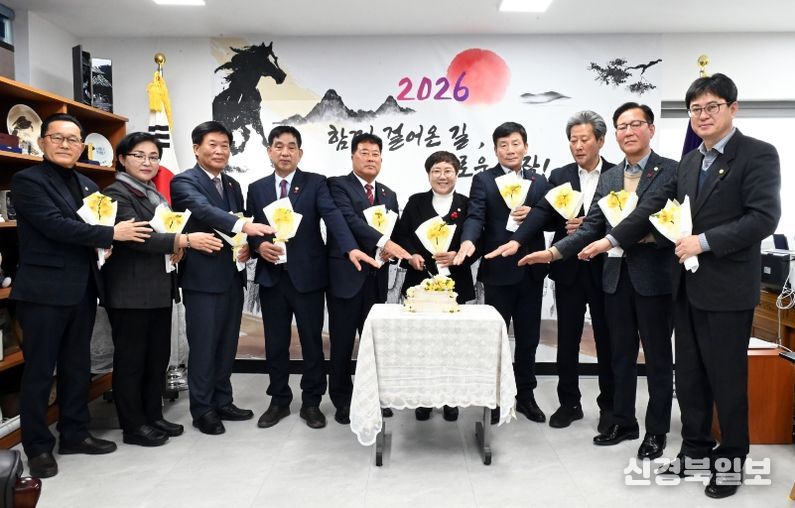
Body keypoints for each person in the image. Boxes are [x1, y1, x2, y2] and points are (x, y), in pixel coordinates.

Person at [579, 74, 781, 499]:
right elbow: (650, 209)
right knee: (688, 377)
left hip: (727, 289)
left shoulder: (758, 154)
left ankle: (731, 460)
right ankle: (694, 450)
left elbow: (763, 218)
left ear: (732, 108)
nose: (703, 115)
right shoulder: (689, 162)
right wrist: (610, 240)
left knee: (726, 378)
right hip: (685, 288)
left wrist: (703, 242)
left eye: (712, 107)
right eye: (695, 109)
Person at [518, 103, 677, 460]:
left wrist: (623, 239)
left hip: (654, 278)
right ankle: (624, 421)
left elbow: (658, 217)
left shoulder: (671, 170)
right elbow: (592, 225)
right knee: (619, 354)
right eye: (623, 126)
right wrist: (553, 253)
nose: (628, 132)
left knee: (656, 357)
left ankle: (656, 431)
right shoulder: (611, 177)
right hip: (615, 278)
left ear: (651, 129)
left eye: (635, 124)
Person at [12, 114, 151, 477]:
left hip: (83, 289)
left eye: (73, 139)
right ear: (42, 142)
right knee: (40, 371)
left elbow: (95, 226)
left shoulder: (89, 184)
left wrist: (108, 243)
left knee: (77, 366)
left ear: (82, 147)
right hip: (43, 293)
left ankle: (74, 433)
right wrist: (111, 236)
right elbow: (55, 226)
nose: (65, 144)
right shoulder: (27, 181)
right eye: (57, 137)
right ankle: (37, 446)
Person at [485, 111, 615, 432]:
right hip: (568, 268)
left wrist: (592, 226)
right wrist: (548, 221)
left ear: (600, 140)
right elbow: (548, 216)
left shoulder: (617, 174)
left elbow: (626, 218)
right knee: (567, 339)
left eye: (584, 139)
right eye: (573, 140)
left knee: (607, 340)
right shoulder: (559, 176)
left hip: (605, 268)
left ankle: (610, 407)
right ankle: (569, 403)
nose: (578, 146)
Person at [246, 126, 377, 429]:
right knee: (275, 343)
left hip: (308, 277)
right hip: (272, 277)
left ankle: (311, 402)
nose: (285, 152)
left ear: (300, 153)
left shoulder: (315, 183)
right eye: (279, 146)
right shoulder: (256, 188)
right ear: (269, 151)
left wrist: (350, 248)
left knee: (311, 343)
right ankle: (279, 400)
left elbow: (334, 217)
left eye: (292, 147)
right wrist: (258, 246)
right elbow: (249, 226)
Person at [103, 132, 223, 446]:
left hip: (158, 288)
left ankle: (153, 415)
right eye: (139, 155)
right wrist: (184, 240)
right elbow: (138, 236)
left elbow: (163, 232)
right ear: (122, 159)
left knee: (156, 358)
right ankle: (133, 425)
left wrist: (175, 246)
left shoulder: (155, 194)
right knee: (132, 361)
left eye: (153, 157)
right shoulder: (116, 194)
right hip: (130, 292)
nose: (148, 162)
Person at [170, 121, 274, 435]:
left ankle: (223, 400)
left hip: (231, 276)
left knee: (227, 344)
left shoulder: (231, 184)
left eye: (225, 145)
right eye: (212, 144)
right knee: (204, 346)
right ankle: (202, 409)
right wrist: (244, 227)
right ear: (196, 148)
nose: (219, 151)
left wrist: (246, 246)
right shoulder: (183, 182)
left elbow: (237, 222)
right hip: (201, 279)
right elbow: (203, 211)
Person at [452, 121, 549, 424]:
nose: (510, 149)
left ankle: (526, 395)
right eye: (503, 145)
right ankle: (493, 398)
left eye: (515, 143)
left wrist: (535, 213)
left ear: (526, 147)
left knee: (529, 338)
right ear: (495, 150)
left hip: (531, 269)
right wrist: (468, 240)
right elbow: (476, 216)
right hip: (498, 271)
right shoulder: (484, 179)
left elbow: (551, 218)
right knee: (495, 339)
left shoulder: (539, 181)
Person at [326, 133, 411, 425]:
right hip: (345, 277)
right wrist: (385, 242)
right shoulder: (337, 185)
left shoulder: (388, 194)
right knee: (341, 343)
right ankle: (342, 399)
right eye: (364, 152)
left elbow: (393, 231)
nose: (370, 158)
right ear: (352, 156)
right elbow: (349, 221)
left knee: (374, 344)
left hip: (376, 278)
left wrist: (389, 249)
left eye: (375, 154)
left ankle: (374, 397)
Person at [392, 151, 475, 422]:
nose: (442, 176)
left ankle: (450, 398)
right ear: (428, 174)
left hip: (456, 282)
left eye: (448, 171)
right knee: (422, 343)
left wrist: (458, 255)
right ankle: (424, 397)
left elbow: (478, 238)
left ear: (457, 174)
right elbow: (401, 235)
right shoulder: (416, 201)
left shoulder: (467, 204)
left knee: (453, 343)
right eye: (436, 171)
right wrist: (411, 256)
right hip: (420, 281)